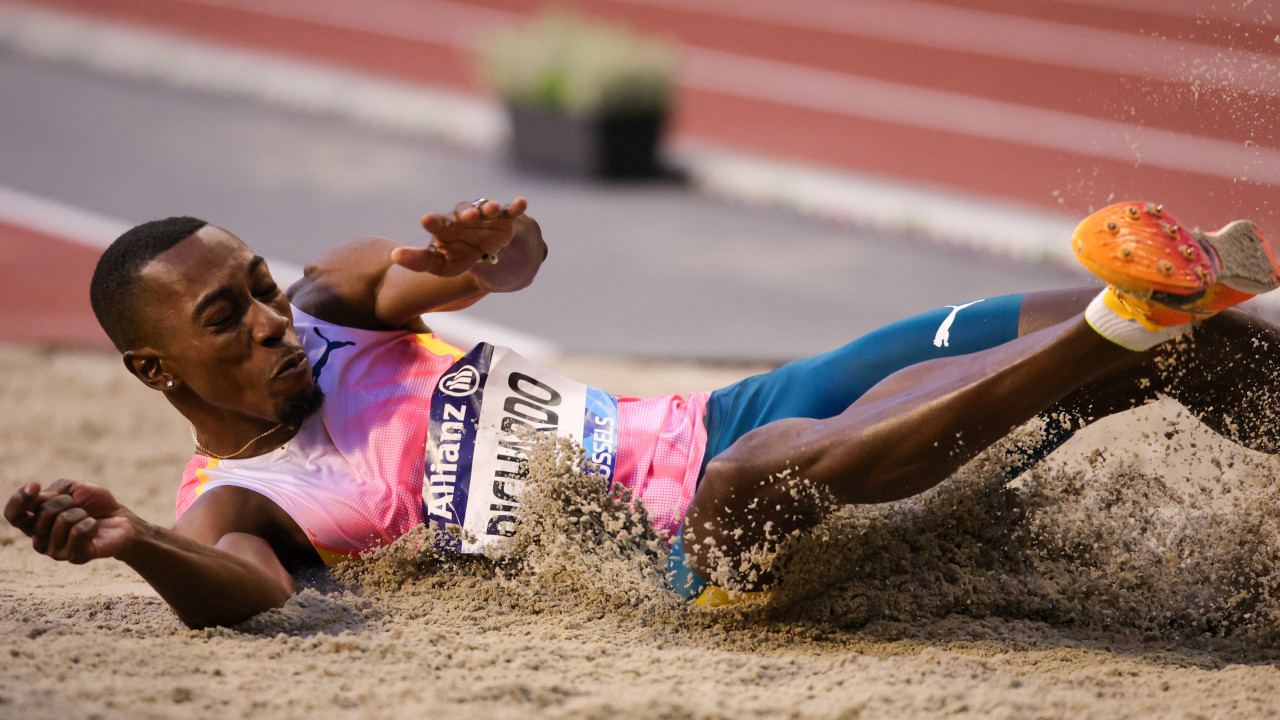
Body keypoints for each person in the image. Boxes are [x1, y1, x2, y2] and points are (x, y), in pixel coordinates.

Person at [6, 197, 1280, 626]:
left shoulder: (340, 303)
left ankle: (1126, 323)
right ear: (156, 373)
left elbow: (492, 273)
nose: (274, 321)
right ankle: (1115, 330)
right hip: (684, 552)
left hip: (720, 411)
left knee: (1190, 329)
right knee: (758, 475)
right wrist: (133, 545)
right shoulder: (243, 502)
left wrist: (502, 249)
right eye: (225, 321)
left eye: (260, 289)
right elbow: (256, 594)